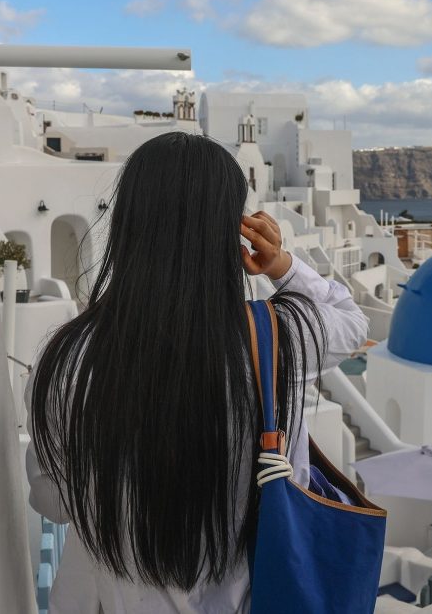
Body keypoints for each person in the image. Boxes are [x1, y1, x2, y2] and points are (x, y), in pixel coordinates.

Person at [25, 131, 369, 613]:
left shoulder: (67, 357)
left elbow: (54, 502)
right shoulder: (278, 340)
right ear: (232, 230)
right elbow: (352, 323)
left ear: (127, 225)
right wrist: (283, 267)